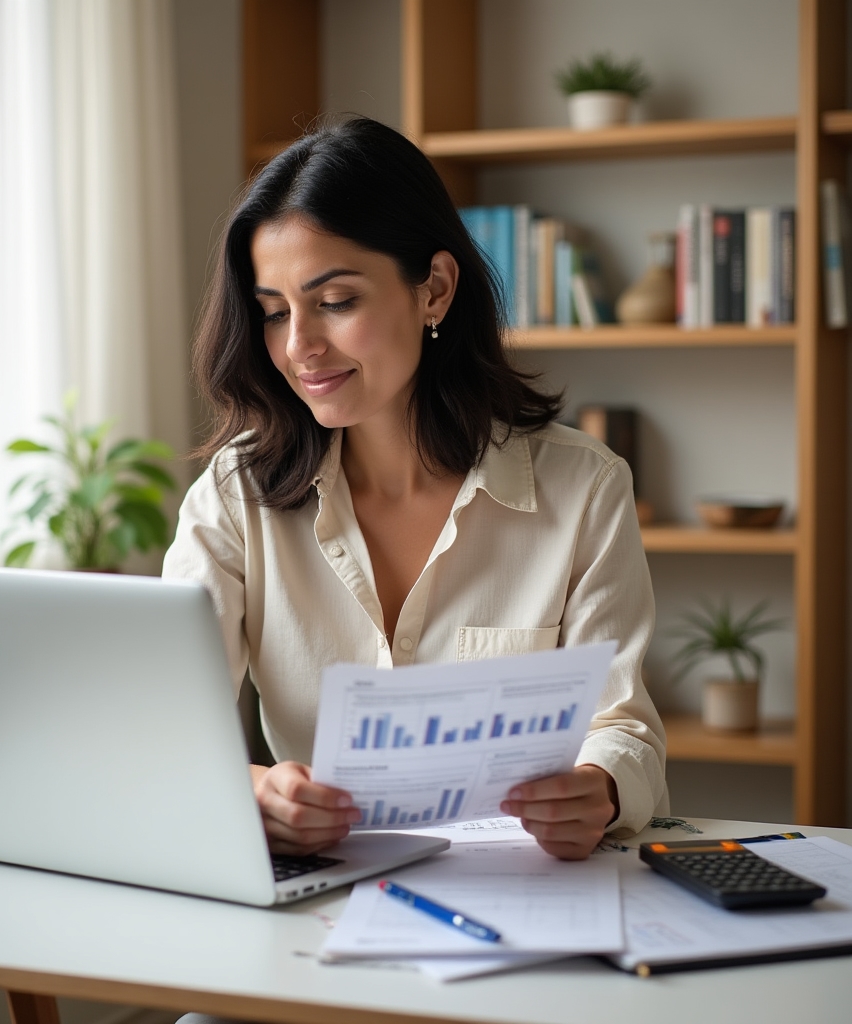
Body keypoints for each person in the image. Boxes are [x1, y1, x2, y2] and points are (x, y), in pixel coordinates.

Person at [163, 115, 668, 865]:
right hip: (318, 907)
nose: (298, 346)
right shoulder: (236, 496)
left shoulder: (584, 488)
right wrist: (254, 791)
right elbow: (166, 726)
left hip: (519, 896)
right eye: (274, 312)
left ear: (433, 288)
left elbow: (624, 727)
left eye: (334, 301)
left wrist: (600, 787)